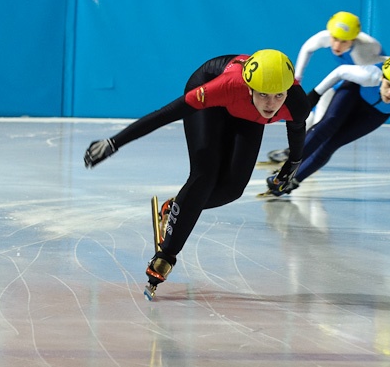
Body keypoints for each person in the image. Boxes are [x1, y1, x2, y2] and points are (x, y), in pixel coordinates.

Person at [84, 49, 310, 297]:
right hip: (211, 86)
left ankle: (175, 209)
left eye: (279, 96)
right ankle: (165, 256)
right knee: (205, 174)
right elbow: (165, 114)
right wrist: (115, 142)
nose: (271, 104)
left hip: (246, 112)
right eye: (264, 95)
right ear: (250, 88)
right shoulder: (223, 87)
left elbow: (297, 134)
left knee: (232, 190)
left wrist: (291, 168)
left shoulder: (296, 102)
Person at [268, 11, 390, 162]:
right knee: (315, 117)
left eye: (344, 42)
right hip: (348, 76)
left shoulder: (364, 52)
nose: (337, 46)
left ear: (354, 39)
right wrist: (297, 80)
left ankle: (299, 155)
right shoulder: (326, 36)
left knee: (323, 123)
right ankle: (296, 151)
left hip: (364, 83)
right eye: (335, 38)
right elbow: (307, 49)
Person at [262, 54, 390, 196]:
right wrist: (316, 94)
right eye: (389, 85)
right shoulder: (369, 75)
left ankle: (294, 181)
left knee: (332, 143)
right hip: (354, 92)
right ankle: (284, 173)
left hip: (376, 113)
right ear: (382, 77)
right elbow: (339, 72)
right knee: (327, 125)